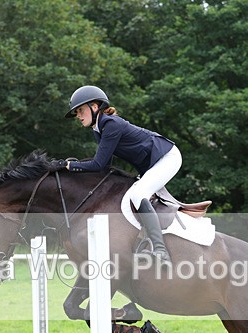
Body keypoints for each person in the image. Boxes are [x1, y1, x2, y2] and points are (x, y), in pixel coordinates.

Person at [52, 85, 181, 263]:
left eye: (80, 110)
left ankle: (160, 250)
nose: (79, 116)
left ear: (95, 107)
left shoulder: (111, 125)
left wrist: (68, 166)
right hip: (154, 163)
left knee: (138, 194)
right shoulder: (99, 129)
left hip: (167, 157)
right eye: (77, 113)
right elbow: (104, 167)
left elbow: (98, 164)